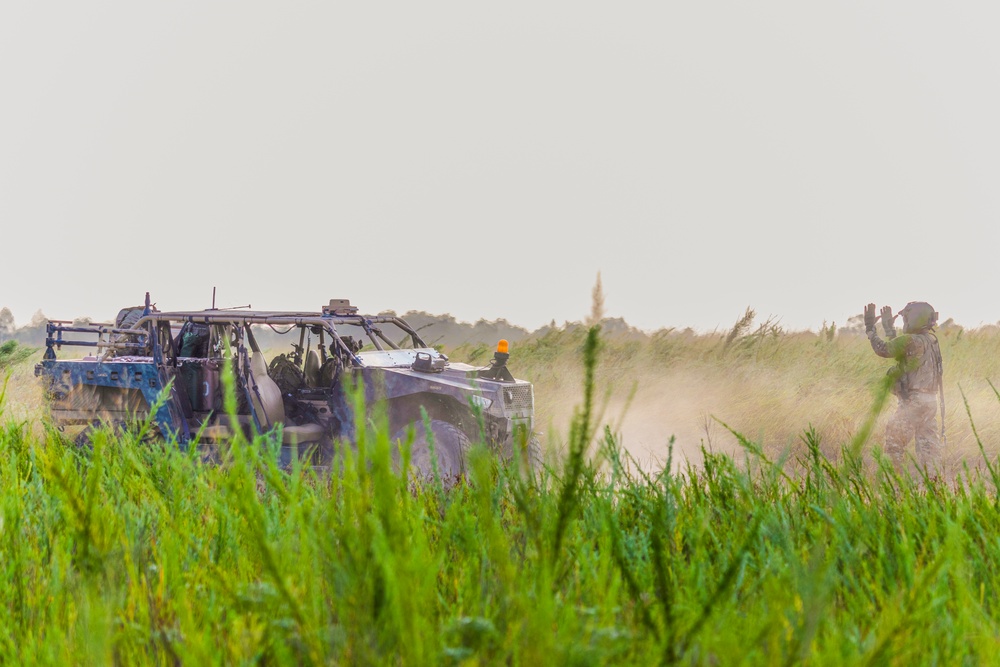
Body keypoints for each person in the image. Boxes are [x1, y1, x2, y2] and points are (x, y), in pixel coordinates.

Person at [864, 301, 945, 471]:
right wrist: (889, 330)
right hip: (930, 401)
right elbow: (903, 352)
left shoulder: (912, 340)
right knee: (929, 448)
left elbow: (884, 349)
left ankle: (893, 485)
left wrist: (871, 329)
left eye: (906, 318)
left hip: (913, 402)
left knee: (894, 442)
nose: (905, 322)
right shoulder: (930, 341)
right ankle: (934, 485)